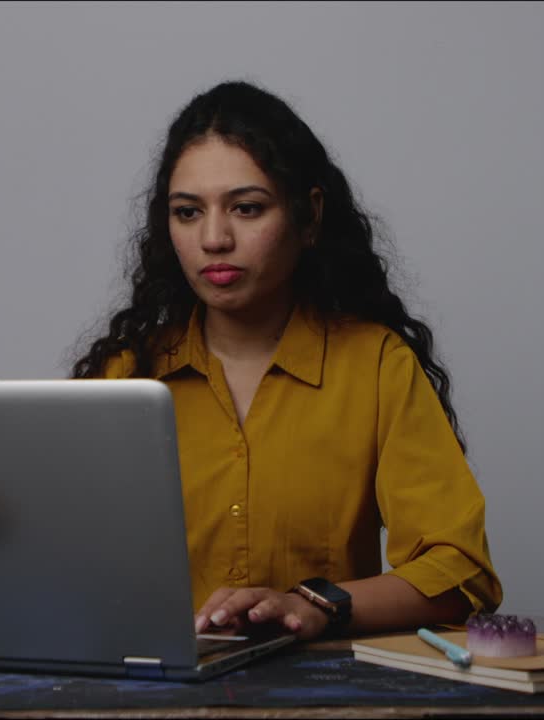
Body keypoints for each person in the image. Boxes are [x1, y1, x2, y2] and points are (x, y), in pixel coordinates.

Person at [70, 80, 502, 641]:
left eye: (247, 208)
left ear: (309, 216)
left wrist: (316, 604)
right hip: (150, 690)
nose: (215, 238)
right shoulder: (125, 377)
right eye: (187, 212)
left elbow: (460, 570)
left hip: (324, 694)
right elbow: (60, 555)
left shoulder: (376, 366)